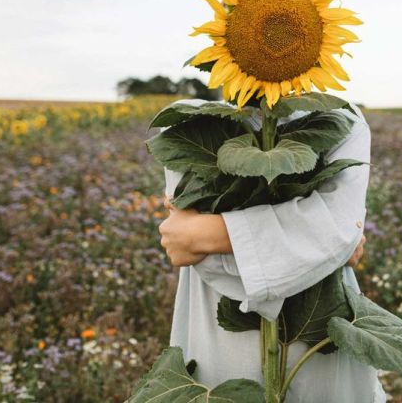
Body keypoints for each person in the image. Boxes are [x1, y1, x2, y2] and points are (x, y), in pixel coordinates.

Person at [156, 98, 387, 402]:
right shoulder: (186, 119)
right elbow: (209, 264)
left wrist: (209, 233)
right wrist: (323, 245)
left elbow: (191, 242)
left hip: (320, 340)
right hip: (219, 335)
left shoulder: (341, 118)